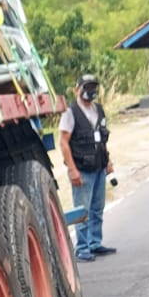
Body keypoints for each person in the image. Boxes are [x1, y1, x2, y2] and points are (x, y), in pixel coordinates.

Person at [56, 74, 116, 261]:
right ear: (77, 89)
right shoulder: (70, 112)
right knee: (83, 211)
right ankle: (82, 248)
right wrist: (72, 170)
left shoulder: (98, 110)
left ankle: (94, 243)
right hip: (82, 170)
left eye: (93, 87)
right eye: (86, 87)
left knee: (97, 208)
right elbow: (64, 143)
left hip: (99, 167)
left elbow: (102, 139)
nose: (90, 91)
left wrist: (108, 161)